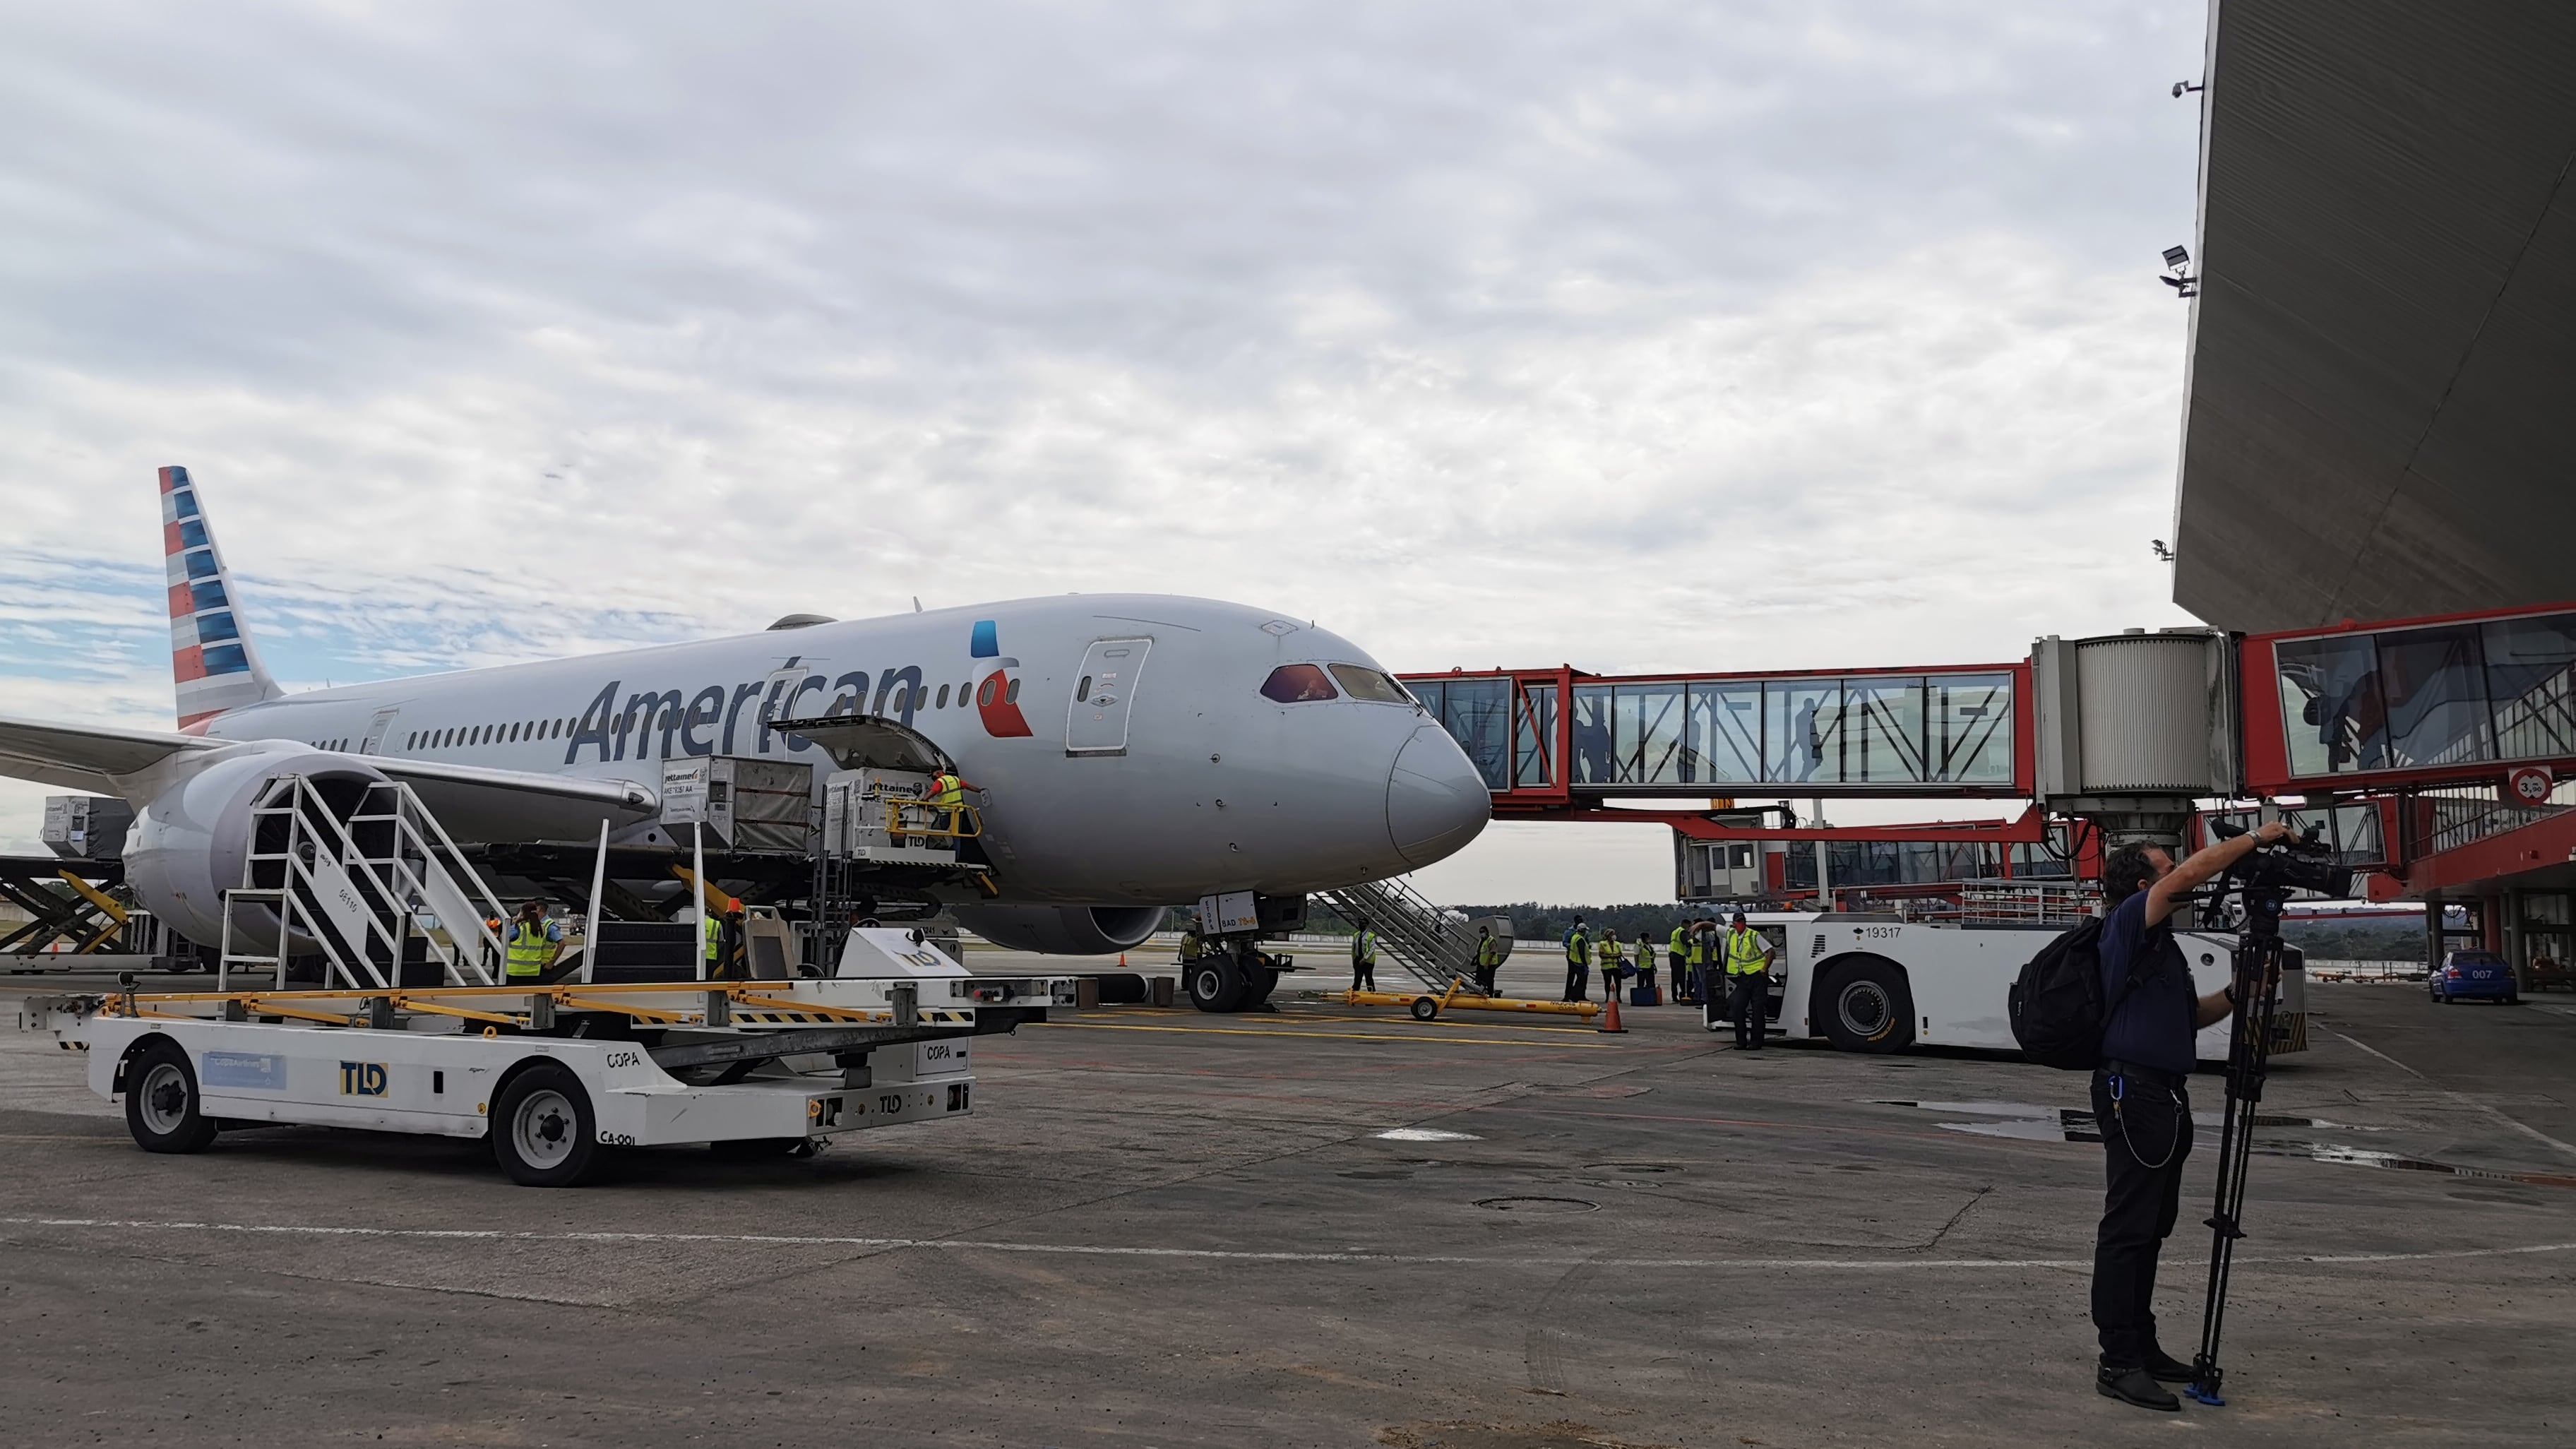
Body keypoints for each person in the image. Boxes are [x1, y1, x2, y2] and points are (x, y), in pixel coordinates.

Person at [2086, 821, 2292, 1412]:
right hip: (2135, 1096)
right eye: (2165, 868)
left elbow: (2187, 1020)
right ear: (2142, 884)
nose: (2180, 876)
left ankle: (2142, 1347)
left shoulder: (2161, 948)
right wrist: (2259, 837)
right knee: (2127, 1231)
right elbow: (2195, 873)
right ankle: (2117, 1361)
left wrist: (2235, 994)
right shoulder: (2128, 921)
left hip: (2164, 1095)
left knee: (2151, 1228)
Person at [1719, 912, 1775, 1049]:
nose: (1741, 924)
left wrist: (1764, 969)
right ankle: (1741, 1041)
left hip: (1757, 977)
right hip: (1742, 978)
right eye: (1738, 922)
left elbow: (1771, 952)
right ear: (1734, 924)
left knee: (1758, 1011)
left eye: (1742, 921)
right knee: (1738, 1007)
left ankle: (1756, 1042)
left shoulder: (1753, 935)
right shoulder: (1731, 934)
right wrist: (1700, 924)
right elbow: (1714, 927)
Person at [502, 899, 562, 984]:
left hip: (515, 971)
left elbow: (502, 939)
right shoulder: (543, 928)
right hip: (534, 971)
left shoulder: (519, 927)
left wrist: (515, 922)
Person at [927, 766, 979, 837]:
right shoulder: (955, 779)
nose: (933, 777)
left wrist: (924, 800)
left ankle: (944, 845)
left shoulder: (940, 781)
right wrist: (980, 791)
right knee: (956, 832)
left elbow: (933, 792)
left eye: (933, 775)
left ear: (938, 773)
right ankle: (955, 847)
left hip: (945, 811)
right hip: (958, 810)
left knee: (940, 830)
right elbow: (968, 786)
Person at [1562, 917, 1592, 1003]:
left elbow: (1587, 942)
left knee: (1582, 979)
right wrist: (1573, 947)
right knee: (1571, 977)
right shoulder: (1569, 931)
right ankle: (1568, 996)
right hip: (1572, 958)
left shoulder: (1584, 934)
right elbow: (1565, 943)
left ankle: (1581, 995)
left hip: (1579, 958)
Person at [1668, 922, 1695, 1004]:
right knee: (1681, 976)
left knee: (1674, 977)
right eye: (1689, 925)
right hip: (1679, 956)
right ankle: (1683, 994)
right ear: (1685, 924)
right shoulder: (1682, 932)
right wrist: (1692, 941)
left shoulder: (1675, 931)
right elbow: (1686, 943)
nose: (1689, 927)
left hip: (1672, 955)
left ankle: (1674, 996)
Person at [1473, 924, 1505, 994]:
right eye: (1480, 932)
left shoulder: (1491, 940)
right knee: (1479, 980)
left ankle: (1490, 995)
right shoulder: (1482, 941)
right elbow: (1480, 952)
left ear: (1487, 932)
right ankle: (1479, 993)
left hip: (1490, 965)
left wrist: (1487, 963)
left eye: (1483, 932)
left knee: (1489, 980)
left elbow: (1492, 953)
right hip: (1481, 964)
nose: (1482, 933)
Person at [1351, 917, 1378, 992]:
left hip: (1367, 961)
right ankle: (1354, 996)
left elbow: (1371, 949)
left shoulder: (1371, 936)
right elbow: (1354, 947)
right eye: (1360, 924)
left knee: (1368, 979)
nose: (1361, 925)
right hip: (1357, 959)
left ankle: (1372, 996)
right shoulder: (1356, 935)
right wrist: (1354, 960)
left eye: (1363, 924)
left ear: (1366, 925)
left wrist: (1365, 959)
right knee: (1357, 979)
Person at [1635, 929, 1659, 1004]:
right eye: (1648, 938)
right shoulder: (1639, 945)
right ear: (1645, 938)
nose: (1650, 939)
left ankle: (1651, 999)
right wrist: (1637, 965)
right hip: (1642, 967)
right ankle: (1640, 999)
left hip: (1650, 967)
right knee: (1641, 984)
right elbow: (1636, 955)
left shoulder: (1649, 946)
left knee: (1651, 984)